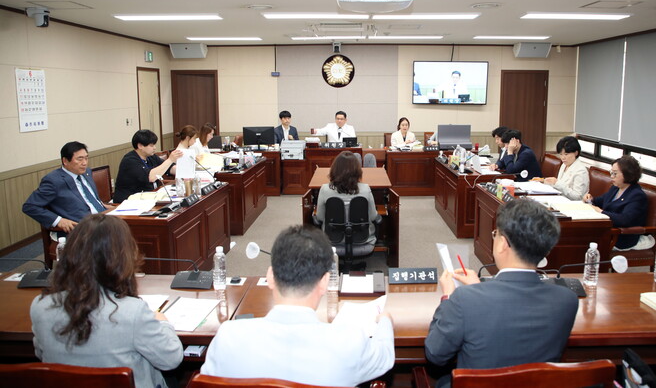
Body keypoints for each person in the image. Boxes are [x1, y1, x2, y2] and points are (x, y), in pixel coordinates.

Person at [200, 225, 394, 386]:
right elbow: (385, 357)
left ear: (270, 277)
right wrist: (385, 320)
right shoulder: (350, 342)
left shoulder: (228, 338)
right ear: (325, 282)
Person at [424, 200, 578, 386]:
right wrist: (477, 288)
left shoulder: (463, 299)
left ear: (502, 244)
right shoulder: (567, 300)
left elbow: (435, 353)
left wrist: (448, 297)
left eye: (495, 234)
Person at [30, 215, 183, 388]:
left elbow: (41, 354)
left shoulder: (40, 306)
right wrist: (163, 323)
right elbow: (171, 359)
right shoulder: (133, 312)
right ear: (122, 257)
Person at [23, 142, 110, 236]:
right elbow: (30, 206)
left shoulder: (86, 172)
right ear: (65, 161)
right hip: (82, 229)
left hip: (103, 219)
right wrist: (59, 221)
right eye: (80, 159)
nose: (84, 163)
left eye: (86, 158)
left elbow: (89, 200)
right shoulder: (53, 181)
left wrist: (106, 206)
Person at [583, 155, 651, 250]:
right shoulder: (615, 188)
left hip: (620, 236)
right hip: (606, 230)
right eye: (611, 173)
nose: (611, 176)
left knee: (580, 238)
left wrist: (601, 212)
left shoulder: (637, 195)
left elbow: (625, 220)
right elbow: (601, 200)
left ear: (628, 174)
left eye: (615, 174)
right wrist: (590, 199)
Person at [315, 151, 380, 245]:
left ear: (334, 169)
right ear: (357, 171)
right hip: (363, 239)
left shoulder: (324, 189)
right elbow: (373, 216)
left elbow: (320, 218)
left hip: (331, 239)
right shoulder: (366, 189)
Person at [113, 130, 182, 203]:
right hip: (128, 201)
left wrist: (185, 170)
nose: (154, 148)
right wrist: (170, 160)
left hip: (149, 196)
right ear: (140, 146)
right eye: (151, 145)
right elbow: (151, 177)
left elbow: (170, 168)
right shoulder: (130, 160)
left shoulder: (151, 157)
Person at [541, 136, 590, 200]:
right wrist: (546, 182)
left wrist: (557, 183)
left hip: (573, 204)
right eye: (561, 154)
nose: (563, 158)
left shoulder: (581, 171)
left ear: (576, 153)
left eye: (566, 154)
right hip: (560, 199)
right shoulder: (564, 165)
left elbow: (578, 197)